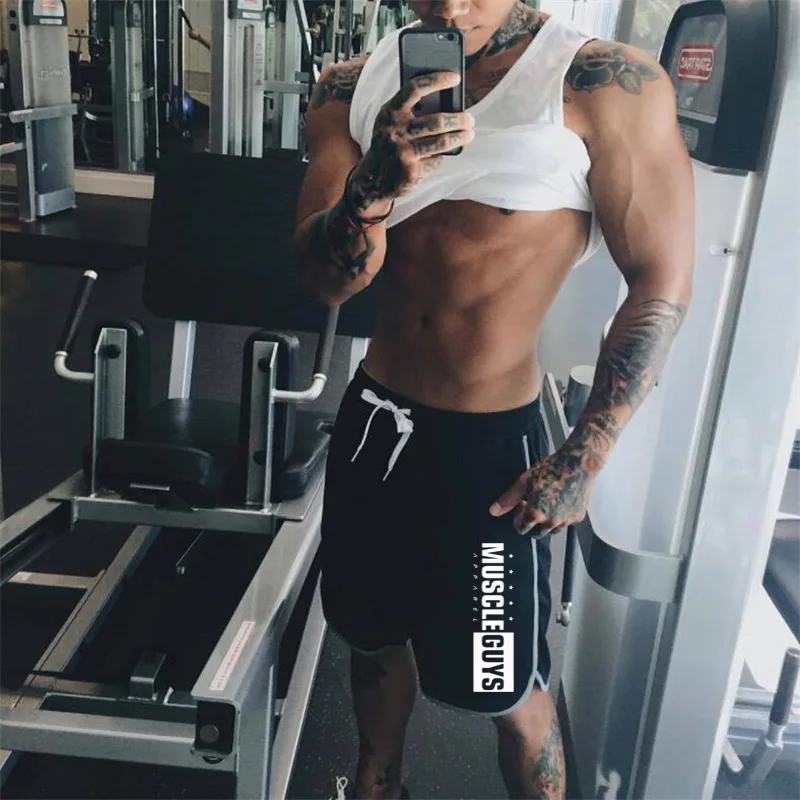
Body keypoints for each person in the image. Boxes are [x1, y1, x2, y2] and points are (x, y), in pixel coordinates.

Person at [293, 2, 694, 798]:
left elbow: (660, 286)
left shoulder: (604, 84)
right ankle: (378, 781)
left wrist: (586, 455)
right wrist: (372, 188)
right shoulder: (348, 88)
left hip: (490, 452)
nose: (448, 8)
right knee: (369, 639)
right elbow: (325, 282)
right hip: (375, 424)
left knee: (504, 686)